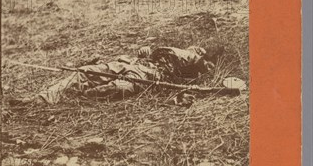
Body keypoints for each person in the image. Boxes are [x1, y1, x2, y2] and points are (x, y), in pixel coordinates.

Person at [14, 46, 214, 105]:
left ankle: (79, 98)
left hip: (148, 76)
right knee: (83, 72)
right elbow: (150, 53)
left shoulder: (193, 63)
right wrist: (145, 51)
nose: (197, 50)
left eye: (200, 51)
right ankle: (39, 100)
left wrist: (205, 64)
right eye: (196, 49)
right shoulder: (169, 50)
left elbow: (200, 66)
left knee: (115, 89)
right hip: (129, 65)